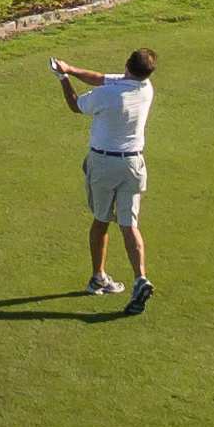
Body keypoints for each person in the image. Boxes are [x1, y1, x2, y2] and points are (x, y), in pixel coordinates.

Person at [54, 47, 158, 314]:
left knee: (100, 221)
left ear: (127, 65)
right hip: (134, 165)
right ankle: (140, 278)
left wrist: (62, 79)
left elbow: (75, 106)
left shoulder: (106, 96)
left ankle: (98, 277)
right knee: (129, 225)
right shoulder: (146, 89)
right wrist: (71, 68)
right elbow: (101, 77)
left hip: (103, 164)